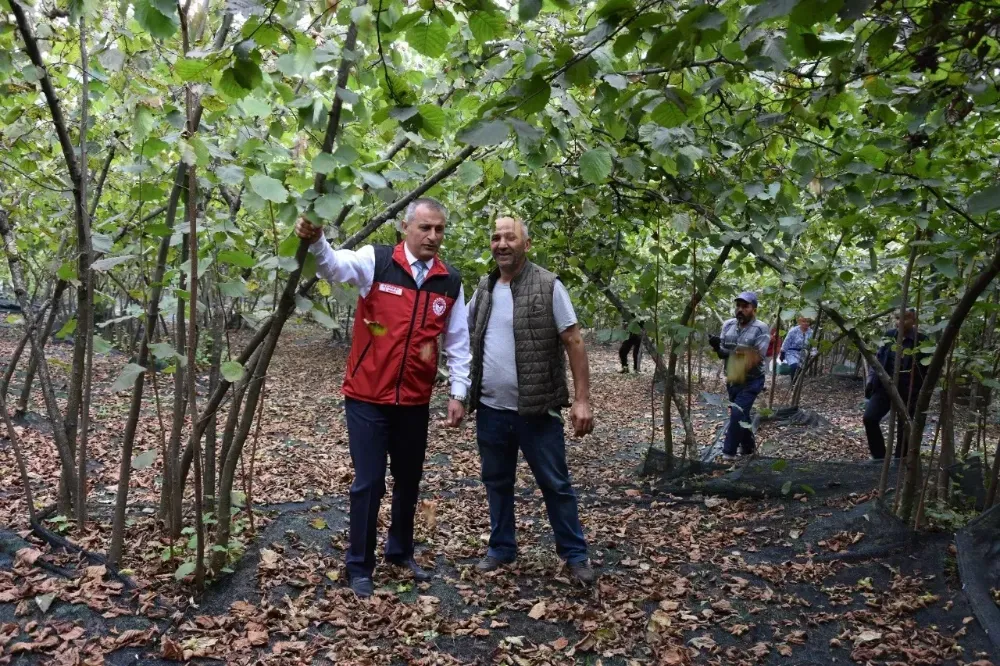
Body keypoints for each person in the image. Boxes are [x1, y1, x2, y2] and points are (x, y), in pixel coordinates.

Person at [295, 198, 471, 598]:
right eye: (425, 228)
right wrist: (318, 240)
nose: (432, 236)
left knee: (408, 480)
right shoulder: (376, 260)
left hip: (414, 400)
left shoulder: (450, 282)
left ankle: (400, 551)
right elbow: (336, 267)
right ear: (405, 228)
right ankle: (360, 565)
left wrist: (458, 392)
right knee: (369, 482)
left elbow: (458, 342)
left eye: (439, 229)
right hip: (367, 397)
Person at [465, 216, 596, 584]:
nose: (502, 244)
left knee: (555, 483)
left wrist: (581, 400)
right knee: (497, 480)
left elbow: (573, 341)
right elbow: (462, 332)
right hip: (491, 410)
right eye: (495, 237)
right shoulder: (485, 287)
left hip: (537, 410)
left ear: (527, 244)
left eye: (510, 237)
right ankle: (502, 548)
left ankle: (574, 555)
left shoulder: (548, 284)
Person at [708, 292, 771, 460]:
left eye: (745, 306)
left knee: (736, 413)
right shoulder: (728, 325)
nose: (740, 310)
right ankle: (749, 447)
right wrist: (716, 347)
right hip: (733, 378)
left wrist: (728, 353)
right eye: (738, 306)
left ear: (754, 309)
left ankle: (728, 453)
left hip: (752, 380)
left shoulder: (761, 328)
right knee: (742, 415)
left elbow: (756, 356)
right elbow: (723, 354)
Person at [863, 308, 927, 460]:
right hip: (885, 386)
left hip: (910, 390)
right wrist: (871, 381)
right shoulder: (889, 336)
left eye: (906, 318)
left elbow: (928, 369)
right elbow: (878, 360)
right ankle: (879, 458)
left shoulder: (922, 341)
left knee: (905, 427)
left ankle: (900, 462)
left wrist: (922, 392)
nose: (900, 322)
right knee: (869, 418)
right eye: (898, 318)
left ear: (914, 321)